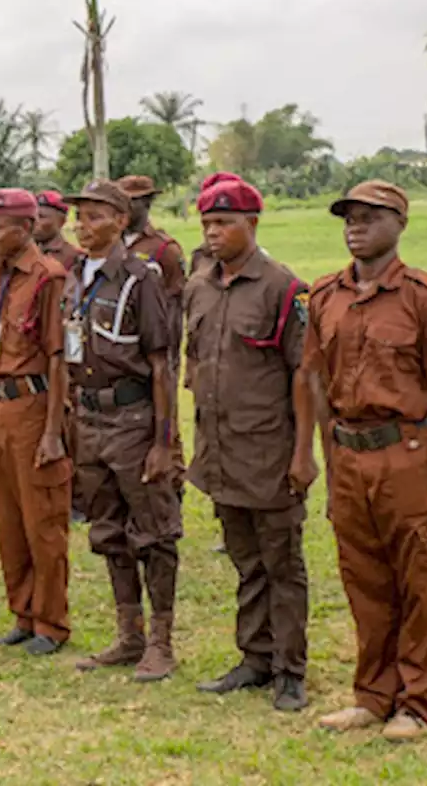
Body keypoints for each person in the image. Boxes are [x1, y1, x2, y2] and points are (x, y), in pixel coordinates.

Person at [305, 180, 427, 741]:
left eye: (370, 217)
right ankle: (373, 694)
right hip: (349, 457)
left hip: (406, 455)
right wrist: (327, 466)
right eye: (349, 216)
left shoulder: (426, 296)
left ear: (399, 223)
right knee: (364, 581)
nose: (355, 226)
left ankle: (417, 703)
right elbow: (318, 386)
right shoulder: (325, 296)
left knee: (417, 582)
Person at [184, 177, 312, 711]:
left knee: (281, 562)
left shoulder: (284, 287)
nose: (213, 234)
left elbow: (304, 375)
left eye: (224, 223)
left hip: (269, 451)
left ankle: (289, 670)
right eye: (207, 224)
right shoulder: (199, 285)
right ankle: (254, 658)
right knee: (245, 560)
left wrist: (304, 453)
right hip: (219, 450)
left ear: (252, 225)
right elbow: (193, 362)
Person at [59, 180, 180, 680]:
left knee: (153, 531)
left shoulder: (138, 277)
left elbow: (161, 364)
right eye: (79, 217)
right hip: (89, 417)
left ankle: (161, 643)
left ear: (119, 219)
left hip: (132, 420)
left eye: (93, 216)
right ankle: (127, 633)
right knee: (108, 529)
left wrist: (163, 442)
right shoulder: (75, 276)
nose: (82, 226)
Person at [0, 188, 72, 656]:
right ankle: (23, 611)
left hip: (34, 407)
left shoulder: (47, 278)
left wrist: (54, 432)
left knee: (44, 521)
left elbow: (58, 359)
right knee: (10, 520)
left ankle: (51, 622)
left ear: (27, 228)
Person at [117, 176, 188, 498]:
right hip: (122, 350)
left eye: (136, 201)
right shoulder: (111, 243)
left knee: (165, 417)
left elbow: (175, 304)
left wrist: (168, 354)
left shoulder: (164, 249)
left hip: (158, 346)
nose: (129, 207)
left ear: (147, 204)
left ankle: (172, 482)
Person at [34, 191, 82, 270]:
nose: (35, 222)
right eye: (34, 216)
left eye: (41, 217)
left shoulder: (74, 257)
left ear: (61, 221)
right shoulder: (23, 251)